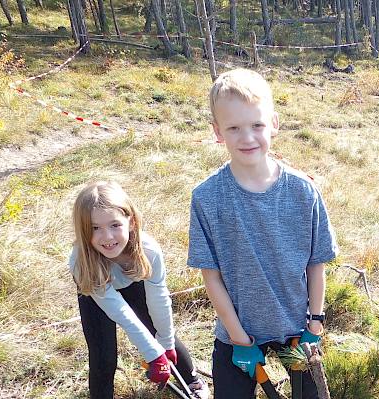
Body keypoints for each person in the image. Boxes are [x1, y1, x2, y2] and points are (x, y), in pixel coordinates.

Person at [187, 68, 338, 399]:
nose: (247, 137)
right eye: (234, 128)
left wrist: (314, 324)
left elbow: (316, 265)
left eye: (257, 125)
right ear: (217, 132)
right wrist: (240, 339)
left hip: (297, 329)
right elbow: (211, 277)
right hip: (237, 332)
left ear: (274, 123)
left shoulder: (304, 192)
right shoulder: (207, 198)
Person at [70, 181, 208, 399]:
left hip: (135, 286)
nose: (107, 237)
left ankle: (192, 382)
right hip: (97, 295)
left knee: (160, 332)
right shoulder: (81, 262)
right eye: (95, 228)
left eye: (115, 225)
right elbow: (118, 311)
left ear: (131, 221)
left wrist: (166, 345)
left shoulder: (149, 250)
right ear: (83, 229)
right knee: (103, 356)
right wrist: (153, 354)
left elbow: (159, 299)